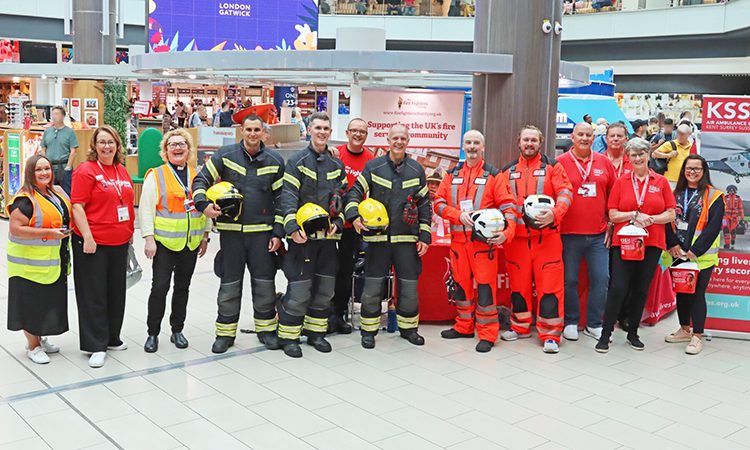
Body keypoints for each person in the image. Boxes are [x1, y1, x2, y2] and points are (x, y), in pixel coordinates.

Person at [192, 115, 286, 354]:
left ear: (263, 132)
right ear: (241, 131)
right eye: (248, 130)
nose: (253, 134)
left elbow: (282, 201)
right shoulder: (225, 155)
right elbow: (201, 179)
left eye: (257, 130)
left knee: (264, 285)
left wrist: (277, 233)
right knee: (229, 285)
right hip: (231, 235)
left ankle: (265, 331)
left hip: (263, 236)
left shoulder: (275, 160)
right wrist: (203, 205)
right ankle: (225, 334)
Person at [346, 124, 432, 349]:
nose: (399, 141)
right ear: (387, 139)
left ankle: (409, 329)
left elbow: (425, 204)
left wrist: (425, 236)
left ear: (408, 141)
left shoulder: (416, 170)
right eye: (395, 137)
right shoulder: (373, 167)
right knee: (372, 288)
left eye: (403, 138)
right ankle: (368, 330)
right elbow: (355, 192)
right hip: (377, 240)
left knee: (408, 288)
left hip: (407, 241)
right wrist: (354, 216)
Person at [434, 130, 517, 353]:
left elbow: (508, 206)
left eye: (476, 143)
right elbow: (438, 202)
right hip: (458, 244)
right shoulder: (451, 174)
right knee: (461, 288)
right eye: (468, 142)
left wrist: (507, 233)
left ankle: (488, 334)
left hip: (483, 246)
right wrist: (456, 215)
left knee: (486, 291)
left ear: (483, 147)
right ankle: (463, 326)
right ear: (463, 146)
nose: (472, 146)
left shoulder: (494, 175)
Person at [595, 137, 676, 353]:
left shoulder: (661, 182)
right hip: (624, 242)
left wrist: (651, 219)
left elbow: (671, 213)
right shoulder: (622, 182)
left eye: (641, 154)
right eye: (633, 155)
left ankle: (632, 333)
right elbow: (612, 213)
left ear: (648, 155)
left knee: (641, 289)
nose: (638, 158)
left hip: (652, 242)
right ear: (628, 158)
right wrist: (633, 215)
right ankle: (605, 334)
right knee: (618, 287)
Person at [277, 112, 347, 358]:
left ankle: (316, 333)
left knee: (325, 291)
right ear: (309, 130)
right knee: (300, 290)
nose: (322, 132)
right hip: (302, 241)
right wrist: (291, 228)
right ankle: (289, 336)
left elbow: (344, 198)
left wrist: (338, 222)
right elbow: (287, 197)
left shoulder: (337, 165)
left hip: (328, 242)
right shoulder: (297, 161)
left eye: (326, 128)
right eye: (318, 127)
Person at [500, 126, 573, 354]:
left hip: (547, 239)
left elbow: (566, 192)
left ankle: (551, 334)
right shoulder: (507, 171)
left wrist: (556, 213)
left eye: (533, 140)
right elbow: (501, 201)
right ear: (518, 142)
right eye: (525, 140)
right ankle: (520, 326)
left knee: (550, 289)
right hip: (517, 241)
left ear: (540, 143)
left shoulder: (553, 167)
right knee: (518, 287)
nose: (529, 144)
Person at [140, 130, 211, 353]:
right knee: (159, 288)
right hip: (164, 244)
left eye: (182, 144)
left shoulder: (197, 175)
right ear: (165, 150)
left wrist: (206, 234)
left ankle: (177, 329)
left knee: (183, 288)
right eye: (172, 145)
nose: (177, 148)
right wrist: (148, 238)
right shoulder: (157, 175)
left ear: (189, 149)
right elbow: (146, 209)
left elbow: (204, 205)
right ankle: (152, 333)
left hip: (190, 243)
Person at [71, 125, 135, 368]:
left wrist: (129, 232)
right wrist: (87, 236)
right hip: (93, 244)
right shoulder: (85, 171)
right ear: (94, 146)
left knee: (115, 292)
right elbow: (77, 205)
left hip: (119, 242)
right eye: (102, 142)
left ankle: (111, 338)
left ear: (118, 145)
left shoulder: (121, 171)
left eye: (111, 142)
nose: (107, 146)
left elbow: (127, 204)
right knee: (93, 294)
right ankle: (95, 345)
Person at [7, 155, 71, 364]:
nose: (44, 173)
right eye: (39, 170)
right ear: (30, 173)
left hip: (51, 262)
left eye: (47, 168)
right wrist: (49, 233)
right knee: (30, 305)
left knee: (45, 303)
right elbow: (16, 229)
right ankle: (32, 346)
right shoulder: (25, 199)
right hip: (28, 266)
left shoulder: (55, 192)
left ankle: (40, 339)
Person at [558, 123, 616, 341]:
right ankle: (570, 321)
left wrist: (611, 222)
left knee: (601, 278)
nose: (584, 138)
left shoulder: (604, 162)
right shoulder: (561, 163)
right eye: (580, 134)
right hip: (568, 233)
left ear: (594, 138)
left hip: (598, 235)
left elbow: (613, 195)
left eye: (588, 135)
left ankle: (594, 323)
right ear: (572, 137)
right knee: (570, 279)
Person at [666, 155, 724, 355]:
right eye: (689, 168)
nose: (692, 172)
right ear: (683, 170)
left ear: (704, 171)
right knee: (681, 292)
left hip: (701, 256)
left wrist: (694, 251)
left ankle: (697, 335)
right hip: (677, 253)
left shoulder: (715, 195)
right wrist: (672, 244)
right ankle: (684, 329)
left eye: (697, 169)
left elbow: (713, 227)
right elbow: (667, 220)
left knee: (697, 294)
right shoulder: (675, 193)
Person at [330, 118, 374, 334]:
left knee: (346, 272)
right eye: (354, 131)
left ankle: (339, 314)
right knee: (326, 270)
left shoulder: (372, 160)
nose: (358, 135)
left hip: (354, 226)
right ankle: (320, 313)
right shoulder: (335, 154)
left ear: (366, 135)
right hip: (331, 223)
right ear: (347, 132)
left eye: (362, 131)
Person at [40, 106, 78, 195]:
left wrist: (68, 167)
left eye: (56, 114)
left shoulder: (70, 132)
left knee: (66, 193)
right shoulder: (47, 132)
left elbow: (73, 151)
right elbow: (43, 148)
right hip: (50, 167)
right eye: (53, 114)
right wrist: (44, 164)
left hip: (63, 166)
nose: (54, 116)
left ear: (63, 116)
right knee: (49, 192)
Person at [722, 185, 744, 250]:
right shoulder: (725, 197)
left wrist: (742, 218)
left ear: (735, 191)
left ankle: (733, 239)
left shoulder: (738, 198)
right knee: (726, 230)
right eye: (730, 190)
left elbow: (740, 208)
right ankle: (727, 244)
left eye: (733, 190)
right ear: (728, 191)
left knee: (733, 230)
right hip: (725, 216)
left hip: (734, 217)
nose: (731, 191)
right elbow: (721, 207)